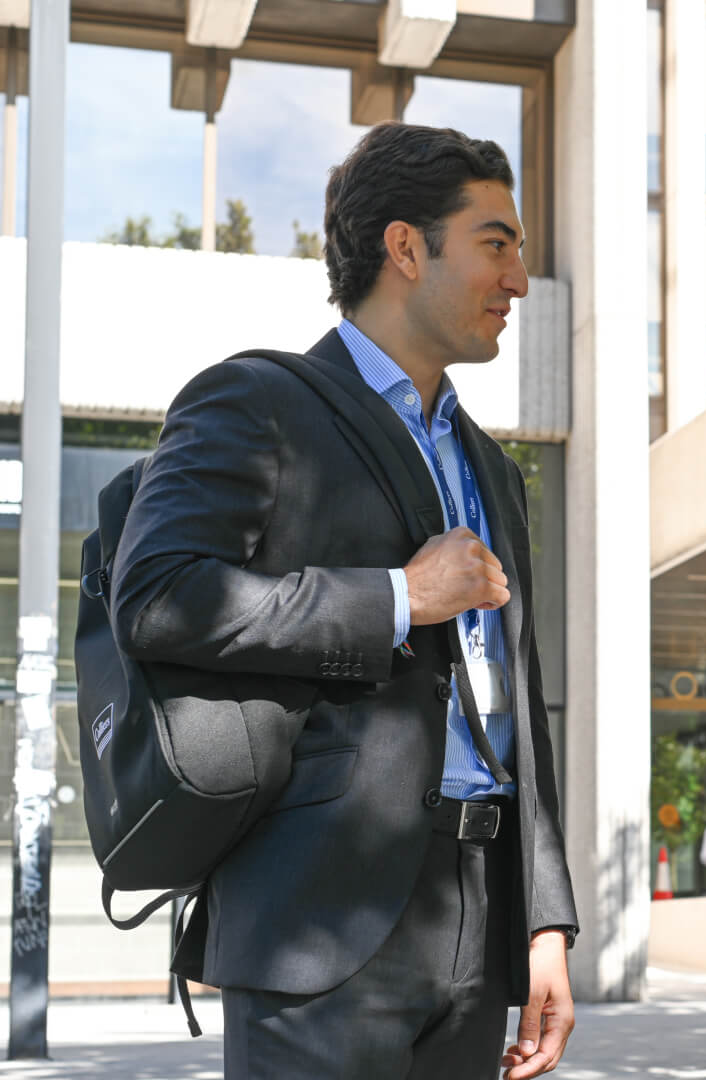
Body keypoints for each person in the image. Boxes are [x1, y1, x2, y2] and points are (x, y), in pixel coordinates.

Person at [112, 123, 579, 1079]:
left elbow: (515, 697)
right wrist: (399, 597)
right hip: (317, 920)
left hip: (478, 915)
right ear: (407, 248)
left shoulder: (492, 464)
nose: (520, 279)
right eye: (498, 243)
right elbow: (158, 595)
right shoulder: (257, 402)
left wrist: (545, 922)